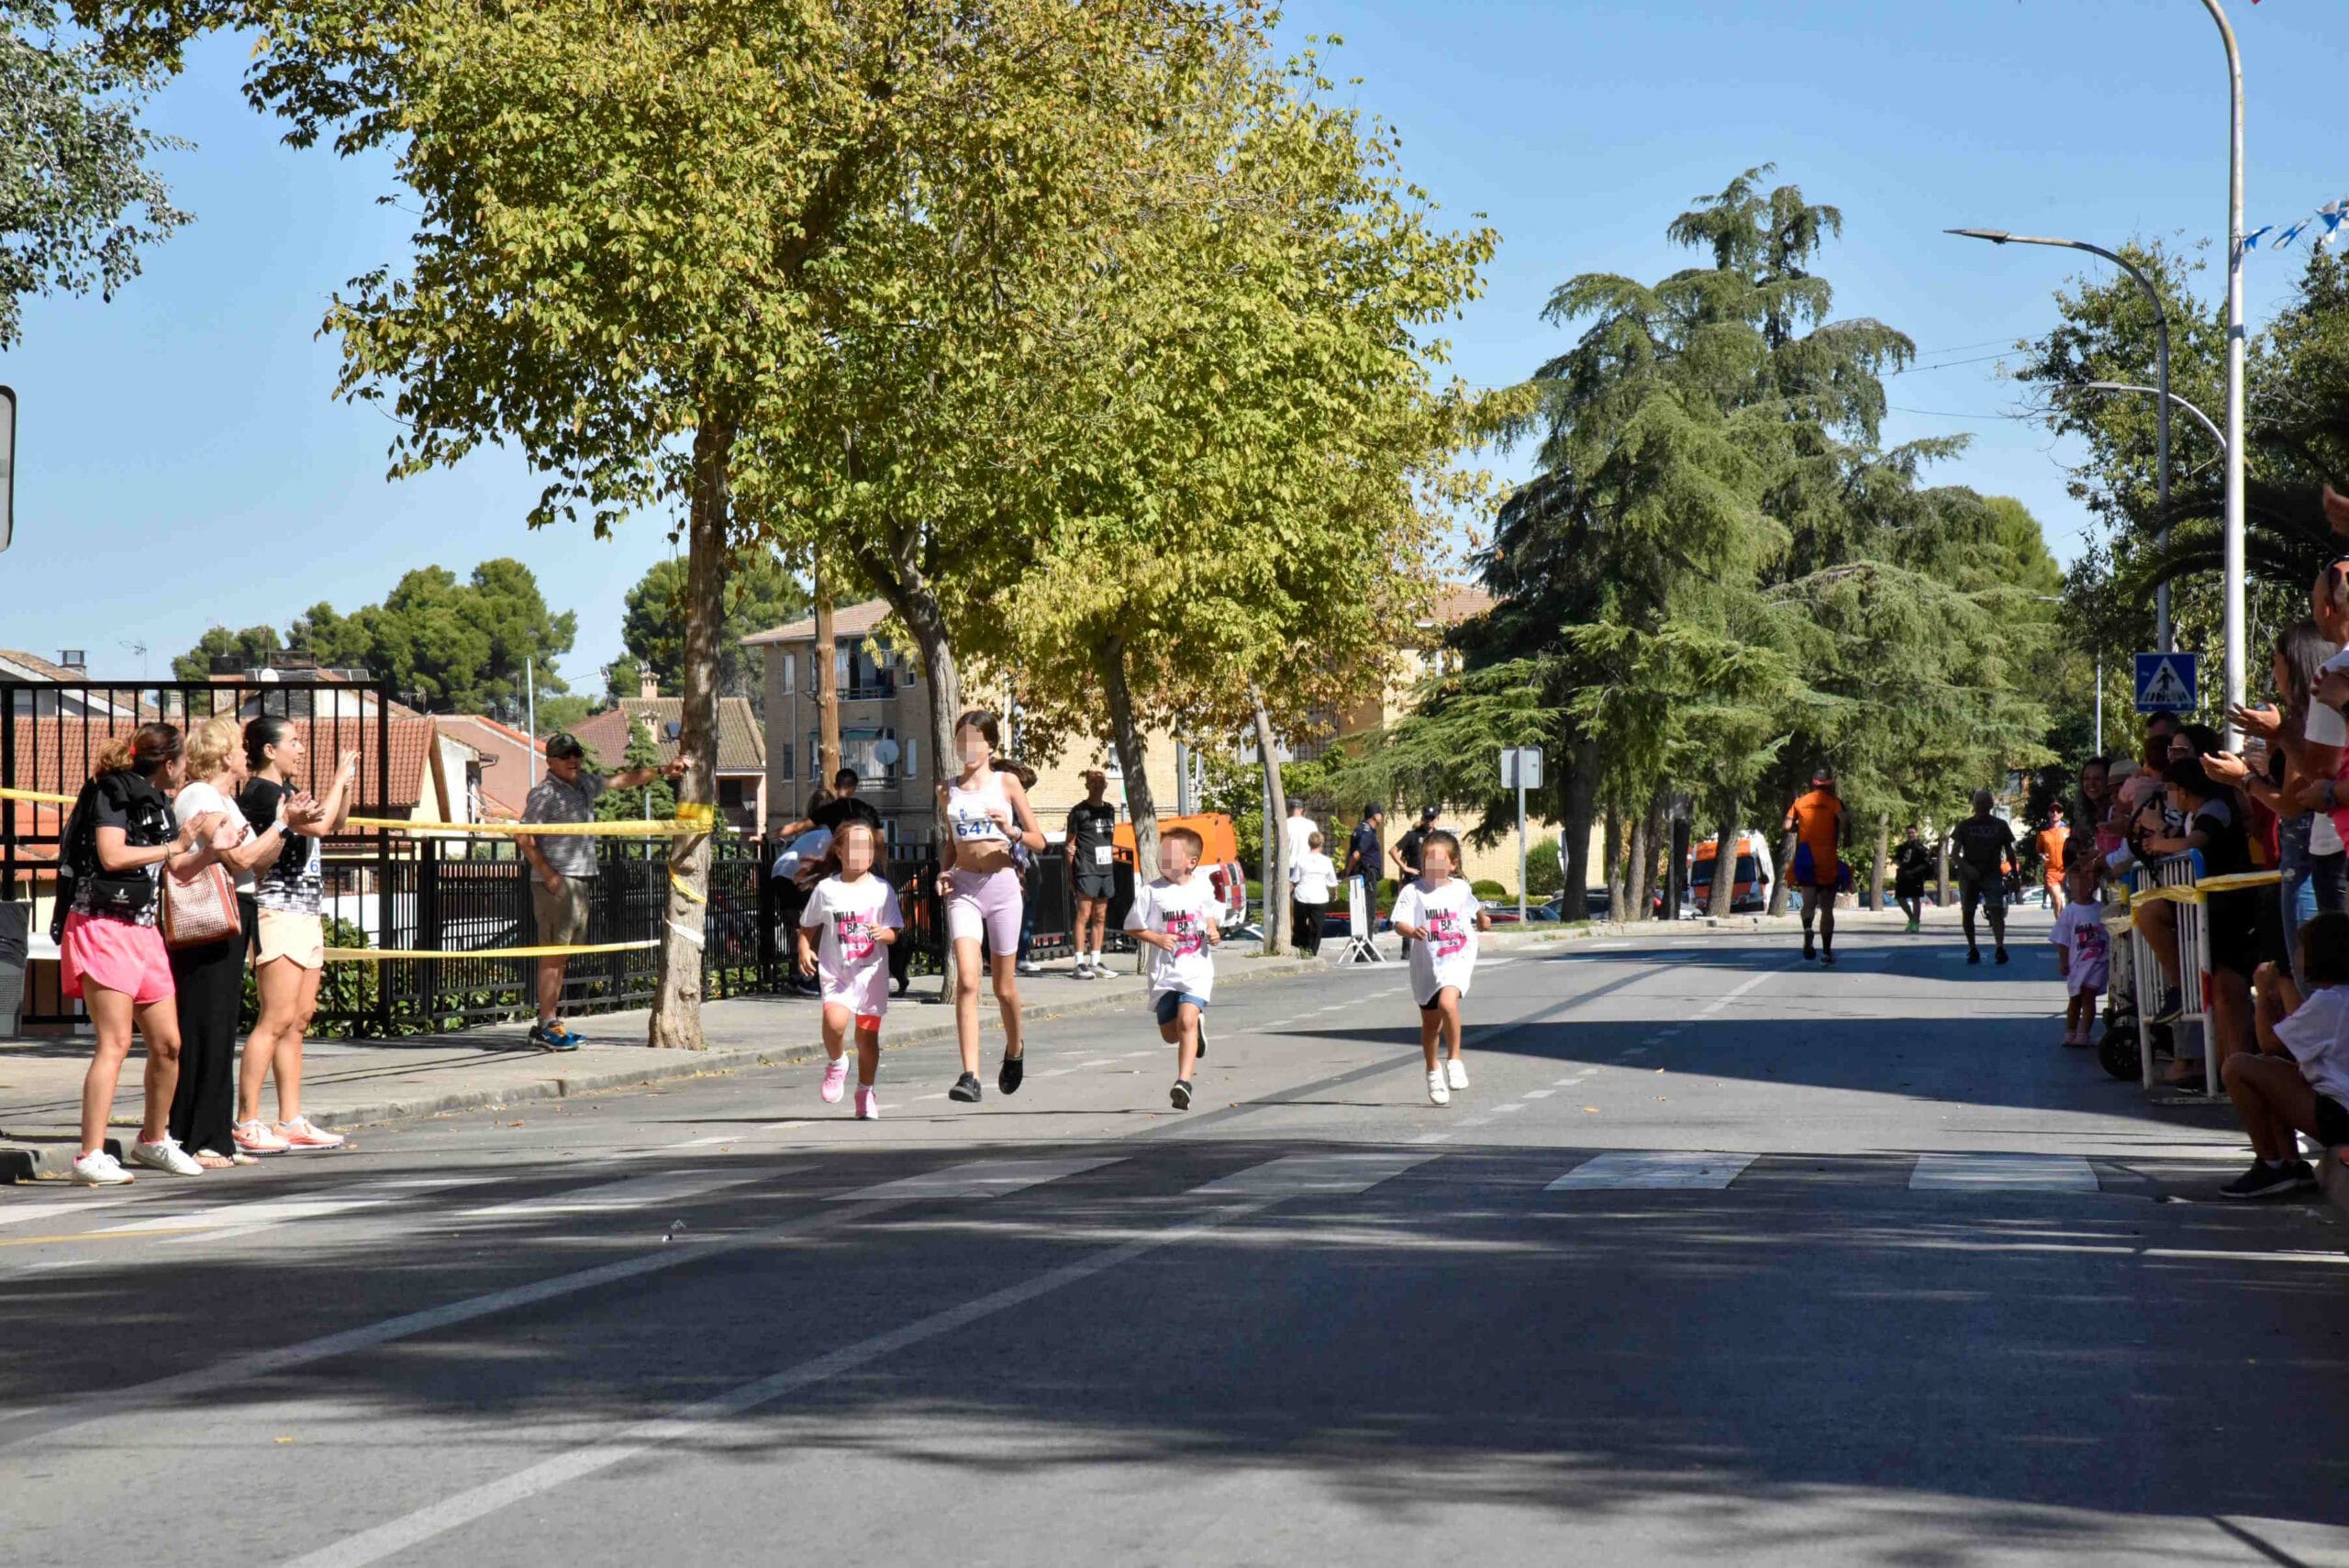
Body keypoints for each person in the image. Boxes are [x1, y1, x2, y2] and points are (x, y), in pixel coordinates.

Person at [60, 723, 229, 1184]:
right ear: (168, 763)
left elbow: (175, 868)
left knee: (168, 1044)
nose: (186, 769)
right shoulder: (111, 793)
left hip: (143, 929)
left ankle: (154, 1140)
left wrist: (209, 852)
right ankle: (90, 1154)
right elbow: (112, 856)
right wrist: (176, 844)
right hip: (102, 925)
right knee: (114, 1042)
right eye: (183, 761)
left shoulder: (158, 802)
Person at [168, 716, 290, 1169]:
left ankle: (217, 1133)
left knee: (222, 1025)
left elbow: (258, 861)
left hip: (237, 910)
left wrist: (283, 827)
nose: (246, 752)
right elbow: (237, 856)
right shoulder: (200, 795)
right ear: (223, 755)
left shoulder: (225, 800)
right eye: (240, 745)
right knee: (205, 1021)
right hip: (209, 915)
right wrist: (278, 827)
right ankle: (195, 1134)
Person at [234, 717, 356, 1153]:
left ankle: (290, 1119)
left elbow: (335, 822)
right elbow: (317, 827)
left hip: (306, 911)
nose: (301, 749)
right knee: (275, 1019)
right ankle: (246, 1120)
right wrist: (337, 779)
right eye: (295, 742)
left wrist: (345, 787)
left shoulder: (288, 791)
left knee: (299, 1020)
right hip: (278, 910)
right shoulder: (263, 794)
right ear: (269, 750)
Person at [517, 731, 678, 1049]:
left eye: (576, 754)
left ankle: (551, 1022)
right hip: (557, 883)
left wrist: (662, 770)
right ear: (551, 761)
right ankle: (546, 1024)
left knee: (564, 955)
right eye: (565, 755)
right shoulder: (545, 793)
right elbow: (523, 835)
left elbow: (621, 780)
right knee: (553, 955)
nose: (573, 760)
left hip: (580, 880)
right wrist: (550, 876)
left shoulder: (584, 785)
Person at [2221, 621, 2345, 989]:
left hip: (2310, 857)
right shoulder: (2299, 719)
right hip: (2308, 854)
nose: (2273, 670)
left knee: (2315, 977)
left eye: (2276, 660)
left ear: (2294, 662)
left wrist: (2244, 779)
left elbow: (2293, 801)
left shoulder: (2307, 722)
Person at [939, 710, 1044, 1103]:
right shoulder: (946, 790)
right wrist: (944, 871)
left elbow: (1038, 840)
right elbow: (951, 843)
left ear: (990, 745)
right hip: (964, 888)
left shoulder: (1006, 783)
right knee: (968, 980)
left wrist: (1011, 830)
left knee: (1003, 987)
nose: (967, 746)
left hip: (1002, 887)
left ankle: (1015, 1049)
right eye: (961, 739)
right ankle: (970, 1075)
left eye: (974, 739)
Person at [2139, 758, 2258, 1090]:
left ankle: (2234, 1069)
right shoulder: (2193, 814)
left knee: (2226, 988)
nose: (2169, 797)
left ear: (2182, 789)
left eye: (2170, 789)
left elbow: (2194, 843)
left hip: (2227, 908)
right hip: (2205, 908)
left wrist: (2160, 843)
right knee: (2149, 913)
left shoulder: (2214, 809)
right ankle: (2182, 986)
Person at [2217, 909, 2349, 1197]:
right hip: (2338, 1107)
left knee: (2238, 1067)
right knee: (2273, 1069)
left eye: (2301, 949)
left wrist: (2263, 993)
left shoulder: (2329, 1001)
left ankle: (2270, 1164)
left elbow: (2267, 1042)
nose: (2295, 956)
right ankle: (2290, 1163)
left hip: (2340, 1116)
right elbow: (2285, 1049)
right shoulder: (2338, 998)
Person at [797, 818, 903, 1120]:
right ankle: (837, 1062)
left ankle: (865, 1091)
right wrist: (804, 948)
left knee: (867, 1038)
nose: (861, 853)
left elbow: (894, 931)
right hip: (837, 973)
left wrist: (884, 934)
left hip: (870, 976)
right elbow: (807, 926)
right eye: (854, 847)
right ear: (840, 852)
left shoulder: (881, 890)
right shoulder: (827, 889)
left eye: (867, 847)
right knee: (834, 1023)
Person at [1390, 829, 1490, 1107]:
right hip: (1427, 963)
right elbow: (1398, 922)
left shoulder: (1460, 888)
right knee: (1431, 1025)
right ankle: (1432, 1070)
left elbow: (1474, 907)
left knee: (1448, 1004)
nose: (1432, 866)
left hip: (1457, 957)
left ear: (1453, 864)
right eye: (1427, 861)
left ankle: (1455, 1059)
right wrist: (1412, 930)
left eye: (1439, 861)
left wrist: (1483, 919)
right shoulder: (1414, 892)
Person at [1124, 824, 1219, 1110]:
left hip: (1196, 970)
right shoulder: (1151, 892)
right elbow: (1132, 926)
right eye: (1162, 854)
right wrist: (1156, 938)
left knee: (1186, 1021)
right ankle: (1194, 1032)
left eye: (1171, 855)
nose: (1163, 859)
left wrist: (1213, 930)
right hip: (1165, 972)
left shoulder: (1202, 887)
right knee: (1170, 1034)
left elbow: (1208, 913)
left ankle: (1183, 1083)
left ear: (1191, 862)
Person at [1783, 767, 1847, 964]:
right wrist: (1847, 837)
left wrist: (1797, 828)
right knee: (1827, 909)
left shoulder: (1800, 802)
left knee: (1808, 902)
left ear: (1813, 783)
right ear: (1830, 784)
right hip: (1827, 859)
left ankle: (1808, 928)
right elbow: (1845, 821)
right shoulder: (1834, 802)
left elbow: (1786, 826)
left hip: (1806, 857)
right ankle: (1826, 952)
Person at [1949, 789, 2016, 965]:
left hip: (1992, 873)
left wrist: (2015, 876)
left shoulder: (2000, 825)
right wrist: (1967, 868)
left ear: (1991, 805)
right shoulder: (1964, 825)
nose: (1981, 806)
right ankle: (1972, 947)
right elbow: (1954, 853)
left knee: (1996, 909)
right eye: (1978, 803)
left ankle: (2000, 947)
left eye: (1985, 803)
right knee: (1968, 912)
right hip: (1969, 876)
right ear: (1974, 805)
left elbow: (2010, 852)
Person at [2048, 858, 2109, 1048]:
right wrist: (2063, 962)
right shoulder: (2069, 912)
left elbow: (2110, 933)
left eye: (2087, 880)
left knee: (2089, 996)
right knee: (2075, 999)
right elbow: (2062, 940)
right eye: (2077, 881)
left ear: (2095, 883)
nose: (2082, 886)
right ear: (2070, 885)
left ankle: (2083, 1033)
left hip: (2097, 962)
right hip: (2077, 963)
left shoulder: (2101, 909)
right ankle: (2070, 1031)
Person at [1066, 771, 1119, 978]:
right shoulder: (1079, 811)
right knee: (1084, 914)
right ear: (1087, 786)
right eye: (1093, 782)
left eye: (1100, 782)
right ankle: (1079, 962)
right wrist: (1071, 874)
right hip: (1086, 868)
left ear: (1106, 785)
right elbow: (1070, 844)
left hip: (1105, 868)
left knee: (1100, 915)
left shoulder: (1110, 810)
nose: (1097, 786)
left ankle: (1095, 961)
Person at [1290, 829, 1338, 958]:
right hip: (1319, 897)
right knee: (1317, 926)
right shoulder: (1326, 861)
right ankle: (1312, 951)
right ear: (1321, 844)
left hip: (1302, 896)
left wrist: (1289, 893)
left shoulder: (1301, 859)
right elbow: (1332, 881)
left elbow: (1294, 879)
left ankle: (1303, 947)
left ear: (1309, 844)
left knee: (1300, 925)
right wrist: (1335, 893)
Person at [1891, 825, 1932, 932]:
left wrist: (1914, 871)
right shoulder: (1903, 847)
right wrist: (1898, 862)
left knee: (1915, 899)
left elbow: (1925, 864)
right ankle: (1911, 918)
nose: (1910, 835)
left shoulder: (1921, 848)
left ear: (1917, 833)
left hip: (1916, 877)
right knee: (1900, 898)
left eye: (1913, 832)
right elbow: (1897, 858)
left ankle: (1916, 922)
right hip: (1903, 876)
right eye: (1908, 833)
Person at [1346, 805, 1385, 914]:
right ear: (1375, 816)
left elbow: (1350, 852)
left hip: (1359, 874)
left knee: (1358, 910)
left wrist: (1348, 869)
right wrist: (1348, 869)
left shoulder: (1358, 829)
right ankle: (1368, 926)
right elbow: (1356, 854)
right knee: (1368, 910)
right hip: (1367, 875)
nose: (1382, 816)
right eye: (1380, 814)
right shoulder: (1368, 832)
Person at [2035, 806, 2070, 912]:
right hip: (2052, 872)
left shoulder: (2068, 831)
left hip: (2068, 871)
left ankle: (2069, 920)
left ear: (2062, 814)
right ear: (2048, 813)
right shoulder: (2043, 833)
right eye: (2052, 811)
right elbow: (2038, 850)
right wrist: (2042, 855)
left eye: (2058, 811)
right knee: (2057, 901)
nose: (2055, 813)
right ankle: (2060, 922)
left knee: (2072, 900)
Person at [1282, 802, 1319, 884]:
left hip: (1289, 863)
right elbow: (1317, 844)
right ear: (1302, 810)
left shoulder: (1285, 824)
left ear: (1289, 809)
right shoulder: (1311, 824)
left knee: (1288, 890)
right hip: (1307, 864)